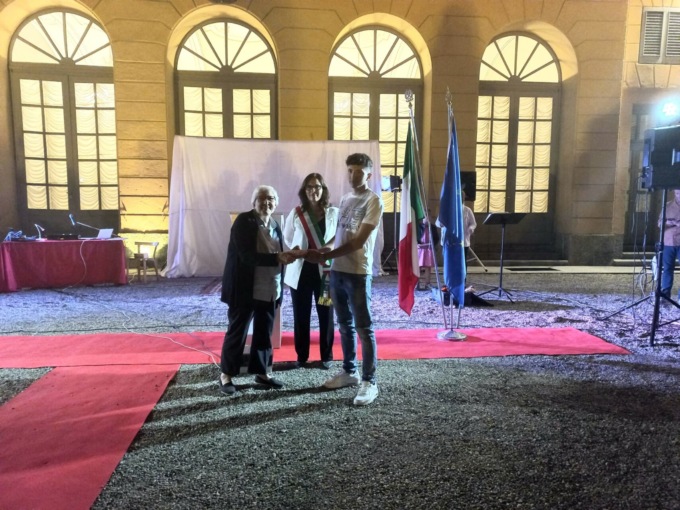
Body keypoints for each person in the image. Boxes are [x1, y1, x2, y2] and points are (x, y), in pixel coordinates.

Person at [306, 153, 384, 406]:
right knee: (344, 324)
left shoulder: (373, 201)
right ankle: (350, 371)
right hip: (338, 270)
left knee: (364, 327)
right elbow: (339, 236)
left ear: (369, 174)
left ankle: (369, 380)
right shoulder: (345, 198)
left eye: (359, 171)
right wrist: (323, 250)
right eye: (350, 170)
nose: (353, 175)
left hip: (358, 272)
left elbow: (359, 241)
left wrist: (327, 255)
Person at [218, 185, 300, 395]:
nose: (267, 202)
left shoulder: (275, 224)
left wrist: (288, 256)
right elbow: (246, 256)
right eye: (262, 198)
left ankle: (262, 372)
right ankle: (226, 374)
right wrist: (278, 257)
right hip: (245, 288)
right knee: (237, 332)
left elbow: (277, 255)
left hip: (270, 288)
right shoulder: (243, 221)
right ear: (253, 202)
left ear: (276, 202)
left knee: (264, 333)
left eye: (271, 198)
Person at [284, 173, 339, 369]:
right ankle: (302, 355)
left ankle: (326, 356)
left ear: (323, 189)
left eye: (317, 187)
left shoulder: (334, 213)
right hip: (301, 272)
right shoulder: (296, 213)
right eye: (309, 187)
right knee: (301, 314)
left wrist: (327, 249)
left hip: (325, 272)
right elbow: (288, 237)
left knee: (326, 313)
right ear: (304, 190)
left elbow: (340, 236)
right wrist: (299, 250)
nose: (313, 190)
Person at [659, 189, 680, 301]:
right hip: (668, 242)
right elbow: (659, 223)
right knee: (667, 268)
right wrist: (668, 222)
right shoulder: (667, 205)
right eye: (677, 193)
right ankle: (665, 294)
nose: (679, 196)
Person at [417, 212, 437, 291]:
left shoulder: (432, 227)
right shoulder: (418, 227)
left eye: (428, 217)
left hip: (428, 249)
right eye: (425, 217)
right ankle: (417, 283)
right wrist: (418, 243)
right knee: (418, 267)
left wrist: (433, 244)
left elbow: (436, 238)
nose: (427, 219)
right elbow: (416, 237)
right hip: (420, 249)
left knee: (428, 267)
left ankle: (427, 283)